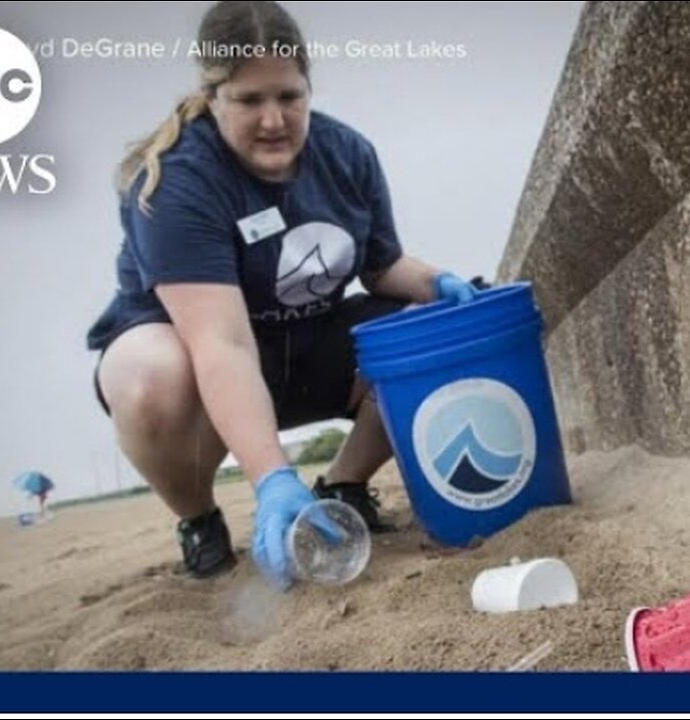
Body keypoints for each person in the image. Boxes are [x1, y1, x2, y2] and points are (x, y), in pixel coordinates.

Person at [85, 0, 478, 589]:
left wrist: (438, 285)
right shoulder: (175, 181)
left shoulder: (347, 154)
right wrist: (273, 477)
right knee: (147, 377)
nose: (274, 120)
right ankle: (199, 521)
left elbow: (381, 266)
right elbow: (221, 342)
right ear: (213, 95)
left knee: (429, 326)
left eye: (288, 97)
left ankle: (344, 486)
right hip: (205, 364)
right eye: (249, 100)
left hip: (310, 342)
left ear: (307, 88)